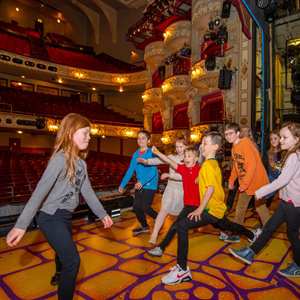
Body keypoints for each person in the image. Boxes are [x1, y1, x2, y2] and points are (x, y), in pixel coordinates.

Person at [6, 113, 113, 300]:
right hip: (50, 217)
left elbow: (87, 192)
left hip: (65, 217)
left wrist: (102, 213)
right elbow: (39, 192)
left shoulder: (81, 164)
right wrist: (21, 224)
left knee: (64, 254)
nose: (89, 137)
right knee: (72, 262)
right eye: (85, 133)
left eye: (90, 134)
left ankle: (58, 273)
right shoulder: (59, 159)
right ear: (71, 133)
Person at [158, 132, 262, 285]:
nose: (201, 146)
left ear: (215, 147)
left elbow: (211, 188)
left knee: (182, 225)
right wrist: (200, 177)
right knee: (228, 225)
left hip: (210, 209)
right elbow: (211, 180)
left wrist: (200, 209)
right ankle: (252, 235)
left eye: (205, 143)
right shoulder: (212, 164)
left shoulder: (207, 165)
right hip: (218, 208)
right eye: (202, 143)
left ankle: (182, 269)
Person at [229, 124, 300, 278]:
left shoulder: (294, 156)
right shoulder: (291, 153)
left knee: (292, 233)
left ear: (296, 139)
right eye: (280, 137)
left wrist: (261, 191)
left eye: (284, 137)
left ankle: (298, 265)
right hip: (286, 200)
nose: (281, 140)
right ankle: (250, 252)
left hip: (293, 203)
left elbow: (283, 180)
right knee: (268, 228)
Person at [147, 146, 201, 258]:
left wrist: (201, 177)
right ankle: (161, 248)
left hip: (201, 207)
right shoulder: (183, 169)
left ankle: (227, 230)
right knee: (175, 226)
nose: (186, 158)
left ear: (196, 158)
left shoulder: (201, 170)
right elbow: (169, 161)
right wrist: (157, 152)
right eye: (185, 156)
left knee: (218, 222)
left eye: (189, 156)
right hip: (189, 207)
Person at [137, 134, 190, 245]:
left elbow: (186, 176)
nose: (178, 149)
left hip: (183, 191)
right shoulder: (173, 158)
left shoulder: (189, 160)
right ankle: (154, 234)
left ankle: (185, 231)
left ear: (187, 146)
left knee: (184, 214)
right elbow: (159, 160)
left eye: (181, 146)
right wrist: (147, 162)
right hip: (171, 189)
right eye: (177, 147)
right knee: (163, 211)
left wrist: (170, 175)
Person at [223, 123, 270, 243]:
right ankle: (236, 233)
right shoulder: (234, 149)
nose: (228, 136)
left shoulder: (245, 144)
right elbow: (236, 167)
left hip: (257, 182)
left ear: (238, 133)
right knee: (240, 207)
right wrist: (231, 180)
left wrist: (244, 185)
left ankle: (268, 231)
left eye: (231, 133)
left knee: (260, 208)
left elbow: (252, 165)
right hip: (246, 182)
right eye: (226, 134)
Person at [119, 130, 158, 234]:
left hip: (150, 185)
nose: (140, 140)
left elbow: (153, 171)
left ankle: (158, 217)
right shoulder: (135, 154)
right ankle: (145, 226)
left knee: (145, 207)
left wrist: (143, 182)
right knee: (136, 207)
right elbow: (131, 169)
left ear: (148, 140)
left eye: (143, 138)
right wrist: (123, 184)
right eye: (138, 138)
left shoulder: (152, 154)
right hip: (139, 185)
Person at [266, 129, 283, 206]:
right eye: (271, 139)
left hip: (283, 178)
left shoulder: (284, 152)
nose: (273, 141)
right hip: (272, 177)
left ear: (280, 139)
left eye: (275, 138)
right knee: (268, 196)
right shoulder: (269, 152)